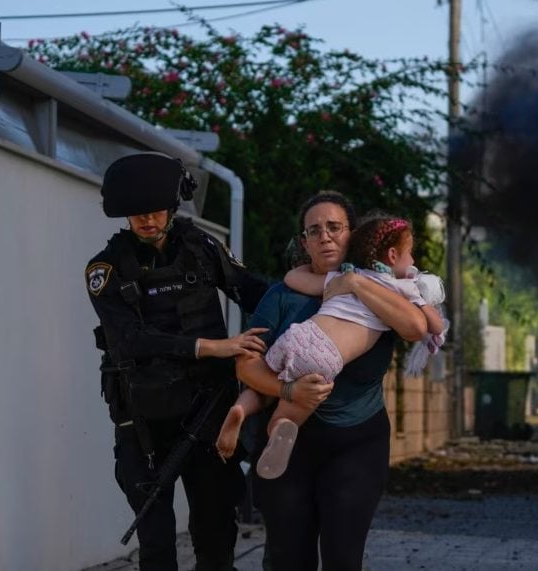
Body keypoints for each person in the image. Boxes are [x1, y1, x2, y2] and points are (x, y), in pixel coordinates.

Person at [86, 152, 269, 571]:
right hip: (144, 421)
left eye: (154, 211)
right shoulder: (106, 268)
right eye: (136, 215)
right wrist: (210, 347)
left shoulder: (202, 248)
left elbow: (252, 291)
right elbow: (129, 340)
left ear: (172, 207)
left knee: (216, 533)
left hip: (208, 410)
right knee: (156, 544)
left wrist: (310, 301)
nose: (146, 221)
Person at [236, 191, 428, 570]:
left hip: (358, 443)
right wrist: (288, 389)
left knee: (343, 558)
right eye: (314, 230)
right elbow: (245, 364)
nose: (325, 236)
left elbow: (415, 328)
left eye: (334, 227)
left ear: (352, 234)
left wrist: (355, 284)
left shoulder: (381, 289)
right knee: (290, 560)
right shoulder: (281, 296)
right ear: (304, 242)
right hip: (289, 445)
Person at [214, 215, 447, 479]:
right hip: (326, 357)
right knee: (292, 409)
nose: (413, 262)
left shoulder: (346, 274)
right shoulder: (402, 289)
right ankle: (280, 427)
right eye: (410, 255)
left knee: (264, 381)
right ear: (393, 255)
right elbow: (433, 326)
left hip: (300, 334)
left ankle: (240, 409)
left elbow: (294, 278)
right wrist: (426, 303)